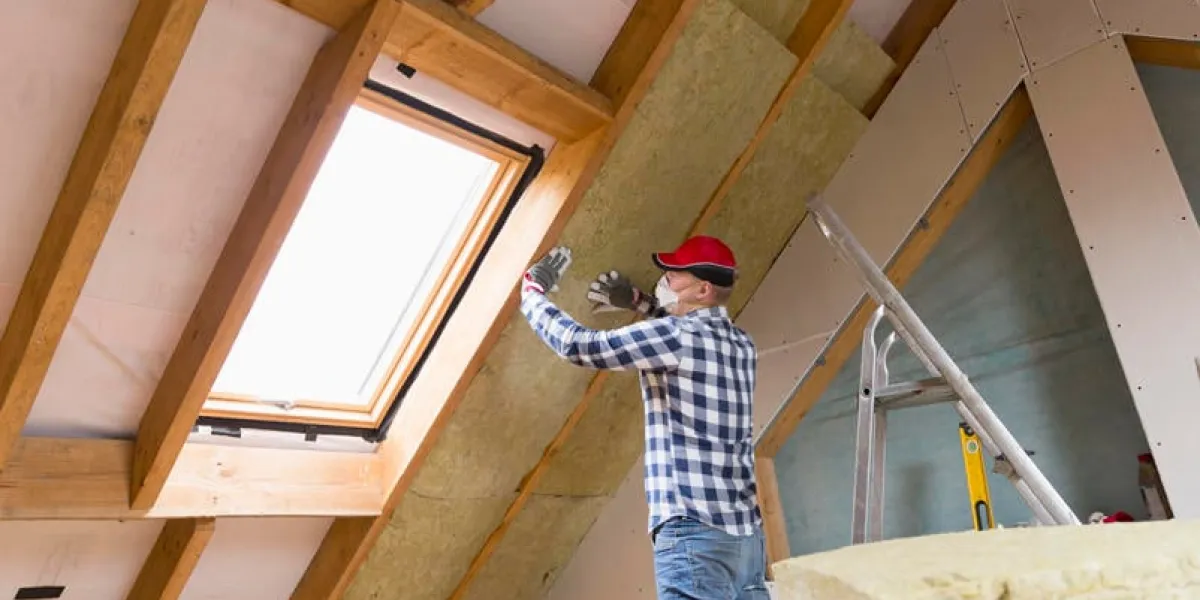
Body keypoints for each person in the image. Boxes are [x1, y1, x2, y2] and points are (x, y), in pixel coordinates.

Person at [518, 235, 768, 599]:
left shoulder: (673, 337)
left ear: (703, 289)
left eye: (676, 274)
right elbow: (685, 339)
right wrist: (639, 303)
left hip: (692, 532)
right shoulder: (742, 345)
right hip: (745, 539)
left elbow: (580, 346)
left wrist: (532, 295)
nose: (666, 278)